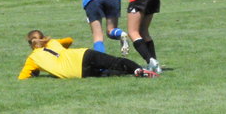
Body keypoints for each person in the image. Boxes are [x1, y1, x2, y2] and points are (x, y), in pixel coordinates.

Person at [18, 30, 157, 79]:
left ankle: (132, 73)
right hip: (82, 55)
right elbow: (69, 40)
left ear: (30, 44)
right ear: (43, 38)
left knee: (107, 73)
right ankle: (138, 69)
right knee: (114, 62)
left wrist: (35, 71)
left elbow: (22, 77)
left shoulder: (32, 58)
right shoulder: (52, 42)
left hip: (77, 73)